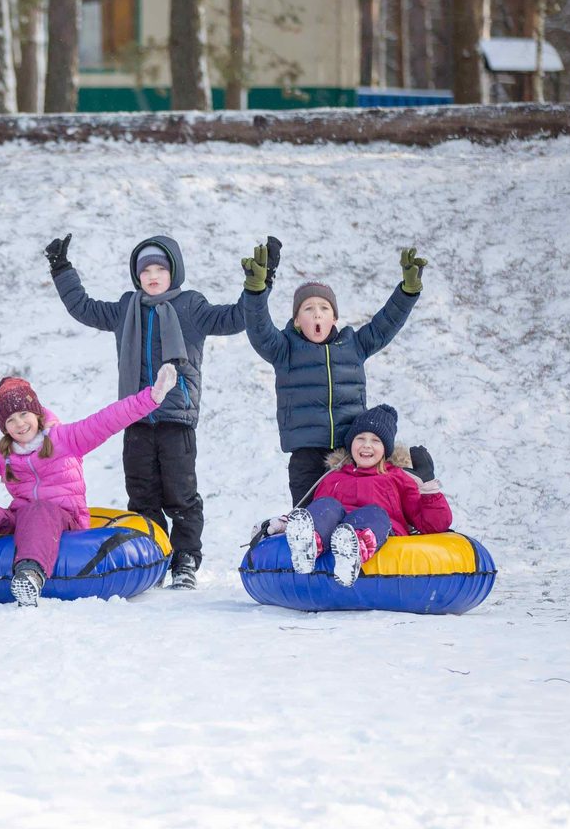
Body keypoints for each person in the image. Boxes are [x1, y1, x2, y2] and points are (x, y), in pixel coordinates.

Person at [45, 231, 252, 590]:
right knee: (142, 495)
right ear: (136, 275)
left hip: (176, 419)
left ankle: (185, 559)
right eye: (145, 270)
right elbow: (85, 308)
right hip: (135, 418)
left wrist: (256, 288)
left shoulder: (191, 306)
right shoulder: (128, 308)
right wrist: (62, 269)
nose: (152, 276)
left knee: (181, 494)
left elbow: (235, 318)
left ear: (174, 271)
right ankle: (154, 553)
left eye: (160, 268)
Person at [0, 366, 179, 609]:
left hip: (64, 520)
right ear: (4, 428)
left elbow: (107, 420)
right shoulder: (3, 455)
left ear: (37, 413)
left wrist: (151, 398)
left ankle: (29, 576)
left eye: (24, 415)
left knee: (39, 509)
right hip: (24, 519)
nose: (19, 424)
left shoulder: (68, 439)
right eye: (10, 420)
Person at [242, 241, 427, 506]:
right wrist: (255, 291)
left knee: (350, 513)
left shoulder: (354, 345)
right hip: (306, 456)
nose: (317, 313)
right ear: (297, 321)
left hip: (348, 454)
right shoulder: (284, 349)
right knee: (309, 517)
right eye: (308, 309)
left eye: (324, 308)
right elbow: (259, 329)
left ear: (334, 319)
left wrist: (407, 292)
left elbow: (385, 323)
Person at [269, 405, 452, 587]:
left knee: (374, 513)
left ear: (386, 449)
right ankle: (308, 545)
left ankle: (353, 551)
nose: (366, 445)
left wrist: (428, 487)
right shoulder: (333, 477)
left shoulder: (397, 478)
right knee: (326, 505)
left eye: (375, 440)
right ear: (350, 444)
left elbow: (432, 525)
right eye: (360, 438)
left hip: (379, 529)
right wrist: (285, 523)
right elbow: (316, 510)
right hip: (335, 532)